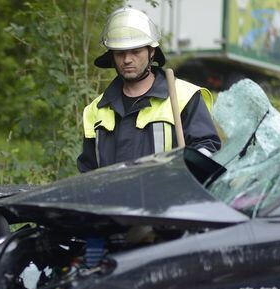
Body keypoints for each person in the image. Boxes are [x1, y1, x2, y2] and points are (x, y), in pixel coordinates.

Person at [77, 7, 221, 173]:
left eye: (135, 51)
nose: (127, 59)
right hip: (113, 191)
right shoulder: (96, 110)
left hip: (166, 190)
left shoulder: (184, 97)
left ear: (151, 52)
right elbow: (88, 173)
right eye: (120, 53)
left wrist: (189, 168)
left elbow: (207, 149)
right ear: (112, 56)